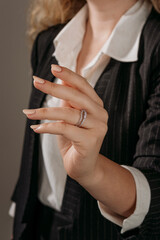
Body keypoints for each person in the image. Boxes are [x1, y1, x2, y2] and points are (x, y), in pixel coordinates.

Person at [9, 0, 160, 239]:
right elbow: (33, 162)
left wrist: (91, 171)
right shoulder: (48, 41)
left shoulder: (155, 48)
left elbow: (156, 194)